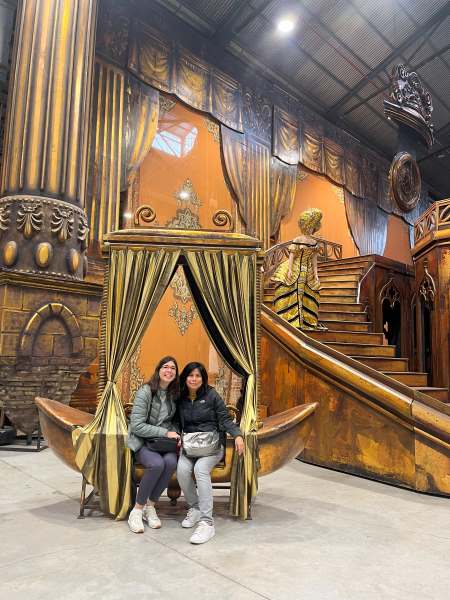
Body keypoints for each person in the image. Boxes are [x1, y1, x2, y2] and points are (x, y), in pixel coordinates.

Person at [177, 362, 245, 545]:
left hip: (211, 448)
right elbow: (176, 422)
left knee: (200, 470)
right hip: (190, 447)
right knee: (182, 471)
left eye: (198, 376)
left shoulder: (211, 395)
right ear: (185, 378)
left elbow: (225, 418)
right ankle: (195, 508)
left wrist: (237, 435)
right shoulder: (180, 398)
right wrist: (175, 434)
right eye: (190, 375)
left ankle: (207, 522)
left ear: (203, 378)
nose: (194, 379)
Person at [127, 356, 180, 534]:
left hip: (163, 444)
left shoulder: (174, 395)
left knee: (171, 463)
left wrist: (175, 434)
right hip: (142, 441)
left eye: (173, 368)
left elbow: (173, 421)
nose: (169, 370)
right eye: (166, 366)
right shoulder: (146, 391)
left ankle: (151, 506)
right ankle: (137, 511)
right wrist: (164, 432)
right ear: (158, 370)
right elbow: (137, 425)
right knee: (157, 464)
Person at [271, 208, 326, 330]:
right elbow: (292, 255)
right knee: (291, 291)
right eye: (312, 226)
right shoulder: (298, 240)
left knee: (306, 293)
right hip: (296, 268)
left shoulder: (314, 242)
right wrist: (289, 269)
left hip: (307, 270)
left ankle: (304, 320)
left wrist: (316, 274)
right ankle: (291, 319)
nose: (313, 228)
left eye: (314, 226)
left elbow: (314, 259)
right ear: (307, 225)